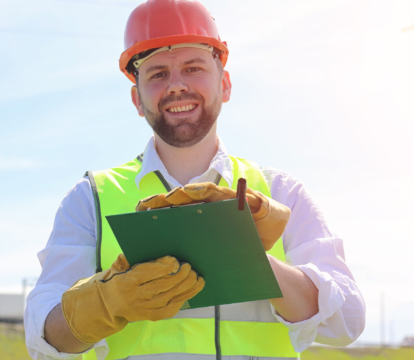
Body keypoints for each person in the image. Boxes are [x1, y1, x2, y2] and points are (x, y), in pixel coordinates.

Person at [24, 1, 366, 359]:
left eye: (193, 68)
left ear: (226, 84)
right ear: (137, 99)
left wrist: (249, 256)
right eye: (157, 74)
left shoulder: (281, 192)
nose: (176, 86)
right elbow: (41, 340)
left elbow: (347, 322)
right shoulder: (90, 199)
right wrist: (106, 303)